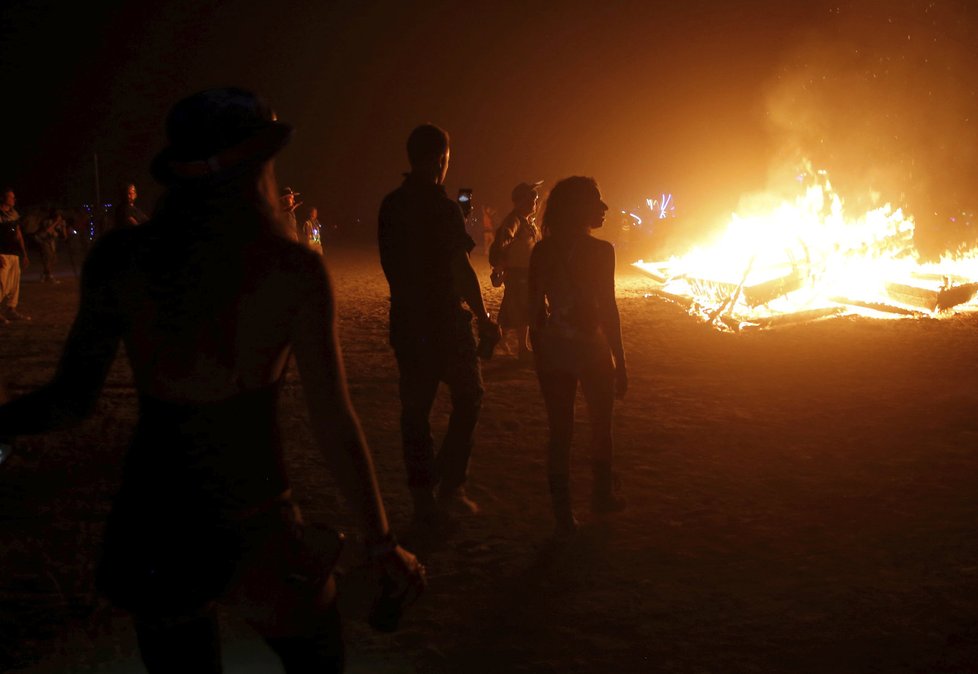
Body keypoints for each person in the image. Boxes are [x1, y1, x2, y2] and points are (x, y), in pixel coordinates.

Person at [0, 88, 424, 672]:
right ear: (260, 166)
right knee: (319, 658)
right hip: (254, 514)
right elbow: (333, 419)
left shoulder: (122, 259)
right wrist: (379, 541)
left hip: (156, 521)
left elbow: (70, 401)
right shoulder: (291, 270)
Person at [378, 123, 501, 526]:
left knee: (415, 410)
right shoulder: (442, 208)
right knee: (470, 396)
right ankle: (450, 483)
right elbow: (461, 269)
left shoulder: (391, 205)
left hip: (407, 320)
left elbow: (390, 265)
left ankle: (422, 496)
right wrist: (483, 317)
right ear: (439, 160)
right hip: (445, 322)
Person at [528, 176, 627, 537]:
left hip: (554, 349)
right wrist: (621, 360)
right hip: (592, 348)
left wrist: (539, 347)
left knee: (560, 431)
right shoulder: (602, 251)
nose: (603, 208)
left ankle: (563, 514)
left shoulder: (542, 251)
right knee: (601, 425)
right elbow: (609, 309)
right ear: (578, 208)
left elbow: (534, 309)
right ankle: (601, 496)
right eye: (596, 201)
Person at [490, 181, 542, 359]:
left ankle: (510, 345)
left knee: (517, 309)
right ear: (521, 201)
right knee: (518, 309)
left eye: (535, 199)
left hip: (526, 272)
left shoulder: (526, 221)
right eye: (531, 199)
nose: (535, 202)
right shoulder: (514, 221)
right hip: (517, 273)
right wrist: (500, 265)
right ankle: (510, 345)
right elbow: (502, 242)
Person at [0, 188, 31, 323]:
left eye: (14, 197)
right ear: (3, 198)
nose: (14, 199)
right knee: (2, 284)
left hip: (14, 254)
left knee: (14, 284)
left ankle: (11, 309)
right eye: (11, 197)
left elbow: (18, 235)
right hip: (2, 253)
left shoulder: (14, 214)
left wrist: (24, 253)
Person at [34, 208, 68, 283]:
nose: (59, 217)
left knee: (54, 259)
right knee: (49, 257)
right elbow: (47, 231)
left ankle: (45, 275)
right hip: (43, 240)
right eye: (57, 215)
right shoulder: (47, 221)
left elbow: (65, 237)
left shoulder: (61, 223)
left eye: (60, 216)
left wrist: (63, 227)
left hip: (52, 241)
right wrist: (56, 223)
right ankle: (49, 276)